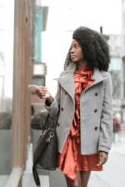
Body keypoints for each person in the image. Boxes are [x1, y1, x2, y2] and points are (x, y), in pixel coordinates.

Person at [30, 27, 113, 187]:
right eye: (71, 47)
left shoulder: (103, 78)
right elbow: (56, 110)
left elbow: (106, 115)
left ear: (87, 47)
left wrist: (104, 147)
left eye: (76, 46)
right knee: (74, 183)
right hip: (68, 139)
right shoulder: (65, 76)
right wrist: (47, 98)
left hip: (88, 140)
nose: (72, 50)